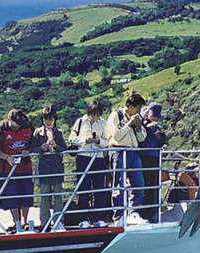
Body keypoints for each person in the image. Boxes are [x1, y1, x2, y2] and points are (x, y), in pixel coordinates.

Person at [106, 93, 148, 225]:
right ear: (130, 106)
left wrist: (139, 127)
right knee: (119, 185)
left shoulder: (136, 118)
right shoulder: (116, 115)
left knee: (139, 184)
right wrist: (129, 124)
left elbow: (142, 138)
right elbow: (116, 136)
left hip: (133, 152)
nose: (139, 111)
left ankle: (134, 213)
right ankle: (119, 217)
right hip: (119, 151)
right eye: (138, 108)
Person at [0, 109, 34, 232]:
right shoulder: (1, 129)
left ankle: (25, 222)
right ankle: (17, 222)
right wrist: (7, 157)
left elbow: (33, 144)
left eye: (20, 124)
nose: (18, 127)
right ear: (8, 120)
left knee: (26, 196)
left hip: (25, 168)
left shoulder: (28, 126)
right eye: (15, 124)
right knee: (10, 197)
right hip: (7, 169)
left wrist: (28, 151)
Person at [68, 101, 108, 228]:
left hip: (98, 158)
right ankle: (83, 219)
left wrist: (98, 140)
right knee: (83, 188)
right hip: (83, 157)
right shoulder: (80, 122)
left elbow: (107, 142)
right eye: (93, 114)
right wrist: (85, 140)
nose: (95, 117)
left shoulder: (103, 123)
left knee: (99, 189)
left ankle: (99, 218)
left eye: (97, 115)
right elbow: (71, 138)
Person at [31, 105, 67, 231]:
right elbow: (32, 149)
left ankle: (58, 222)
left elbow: (64, 149)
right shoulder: (37, 132)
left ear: (55, 119)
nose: (49, 121)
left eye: (51, 119)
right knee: (44, 196)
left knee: (58, 196)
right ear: (43, 119)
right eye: (46, 119)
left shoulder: (59, 133)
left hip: (56, 167)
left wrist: (56, 146)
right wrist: (41, 148)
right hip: (44, 169)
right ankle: (44, 223)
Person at [139, 102, 167, 223]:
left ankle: (152, 212)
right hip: (144, 157)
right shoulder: (143, 123)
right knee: (145, 184)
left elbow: (163, 141)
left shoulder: (157, 127)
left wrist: (158, 134)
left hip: (155, 157)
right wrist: (150, 128)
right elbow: (141, 138)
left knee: (153, 186)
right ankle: (143, 212)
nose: (155, 118)